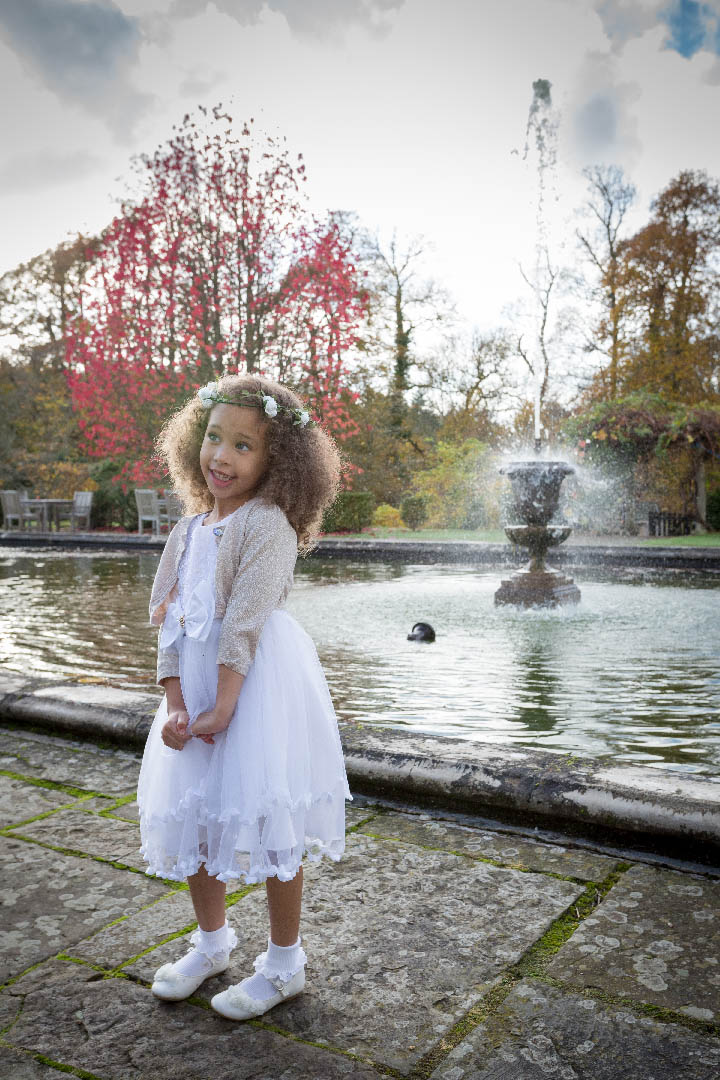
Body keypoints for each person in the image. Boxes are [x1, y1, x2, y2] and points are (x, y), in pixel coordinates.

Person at [137, 373, 352, 1020]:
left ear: (277, 460)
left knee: (271, 816)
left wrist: (226, 705)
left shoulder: (268, 526)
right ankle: (212, 943)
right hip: (196, 686)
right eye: (213, 438)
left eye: (243, 445)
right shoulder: (187, 530)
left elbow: (244, 624)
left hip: (254, 688)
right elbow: (168, 624)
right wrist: (177, 703)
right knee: (196, 815)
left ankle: (285, 963)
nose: (222, 456)